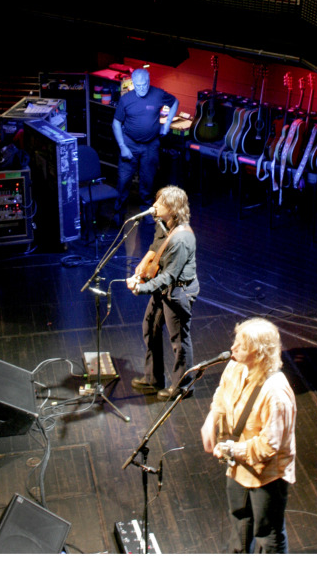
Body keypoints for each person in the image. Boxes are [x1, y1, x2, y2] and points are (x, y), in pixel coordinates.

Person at [200, 318, 296, 553]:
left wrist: (231, 449)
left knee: (267, 533)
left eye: (241, 346)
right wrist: (210, 418)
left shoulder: (276, 393)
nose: (232, 348)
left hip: (267, 474)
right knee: (240, 518)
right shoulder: (234, 366)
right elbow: (222, 393)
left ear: (259, 354)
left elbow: (268, 446)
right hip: (238, 465)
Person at [126, 185, 199, 401]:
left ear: (173, 208)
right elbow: (156, 245)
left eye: (160, 203)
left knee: (179, 339)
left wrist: (141, 288)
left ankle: (183, 387)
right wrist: (142, 266)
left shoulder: (182, 238)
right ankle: (152, 379)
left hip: (178, 292)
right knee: (150, 327)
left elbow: (168, 277)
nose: (154, 206)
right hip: (167, 289)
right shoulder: (164, 225)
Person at [112, 68, 178, 223]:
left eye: (145, 85)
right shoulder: (126, 100)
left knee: (148, 180)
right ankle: (118, 212)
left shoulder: (158, 94)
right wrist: (123, 147)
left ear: (149, 82)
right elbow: (116, 124)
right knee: (124, 180)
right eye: (139, 85)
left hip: (150, 145)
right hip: (130, 144)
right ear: (133, 83)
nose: (142, 88)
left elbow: (175, 102)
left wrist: (167, 123)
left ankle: (146, 211)